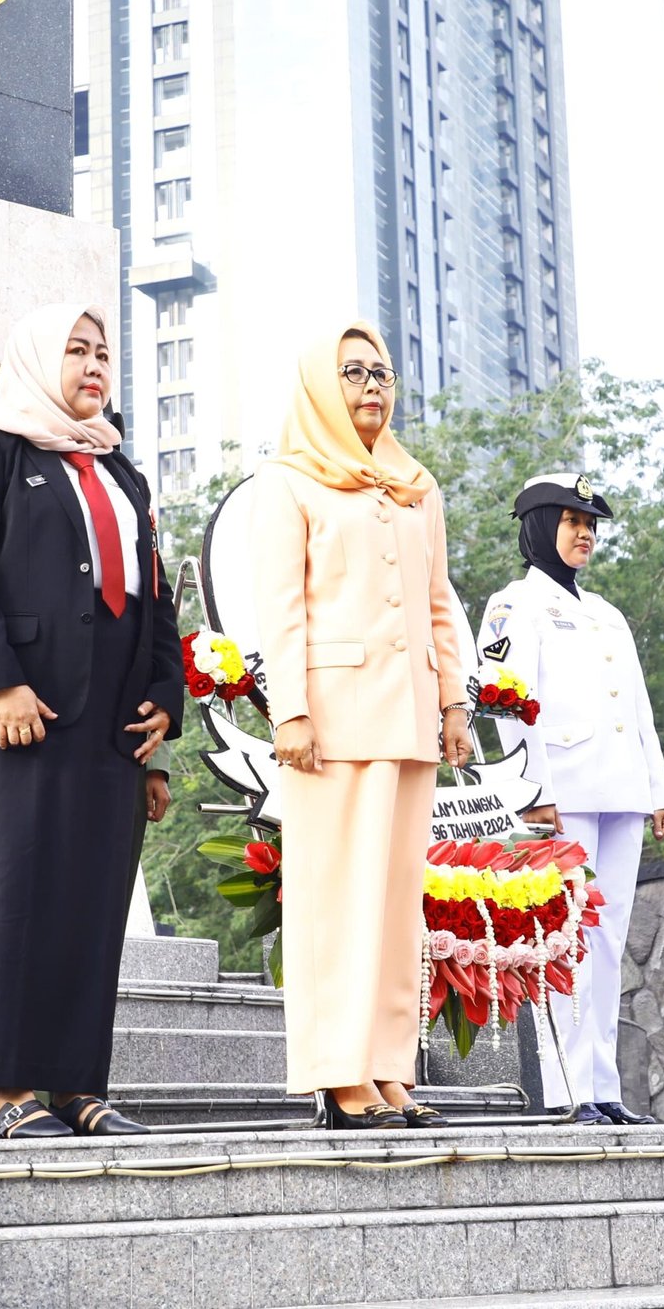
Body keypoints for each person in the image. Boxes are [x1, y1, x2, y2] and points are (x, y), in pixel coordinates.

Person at [0, 303, 184, 1139]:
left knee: (91, 901)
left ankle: (77, 1085)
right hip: (22, 713)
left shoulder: (121, 470)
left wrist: (164, 710)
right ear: (39, 360)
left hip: (113, 725)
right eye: (75, 350)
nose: (92, 365)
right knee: (18, 894)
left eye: (103, 352)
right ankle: (11, 1091)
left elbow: (155, 596)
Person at [252, 320, 473, 1131]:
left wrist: (455, 702)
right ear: (321, 386)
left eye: (381, 371)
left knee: (391, 905)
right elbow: (278, 608)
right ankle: (335, 1073)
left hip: (411, 718)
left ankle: (386, 1068)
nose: (373, 386)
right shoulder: (289, 482)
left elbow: (441, 602)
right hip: (331, 725)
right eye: (354, 373)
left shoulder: (417, 484)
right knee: (332, 900)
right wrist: (292, 711)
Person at [478, 472, 664, 1126]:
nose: (585, 533)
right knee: (563, 940)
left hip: (619, 790)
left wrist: (657, 790)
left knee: (607, 941)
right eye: (571, 521)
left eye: (590, 524)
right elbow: (503, 706)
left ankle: (604, 1088)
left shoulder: (608, 614)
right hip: (557, 795)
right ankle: (569, 1092)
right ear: (539, 528)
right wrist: (529, 790)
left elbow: (639, 708)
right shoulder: (513, 605)